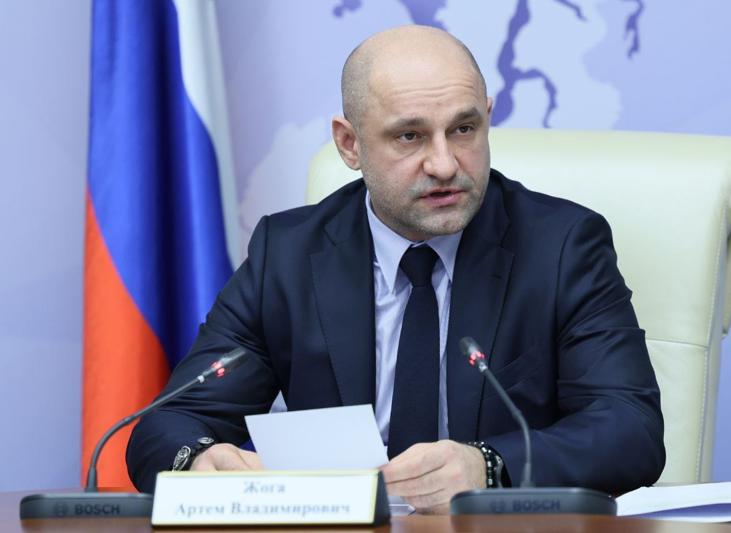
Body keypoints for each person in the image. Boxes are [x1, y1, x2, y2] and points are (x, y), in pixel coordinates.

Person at [127, 25, 665, 514]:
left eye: (464, 128)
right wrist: (198, 462)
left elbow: (630, 430)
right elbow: (168, 424)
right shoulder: (286, 255)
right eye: (410, 136)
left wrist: (488, 465)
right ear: (350, 144)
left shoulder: (562, 246)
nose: (445, 164)